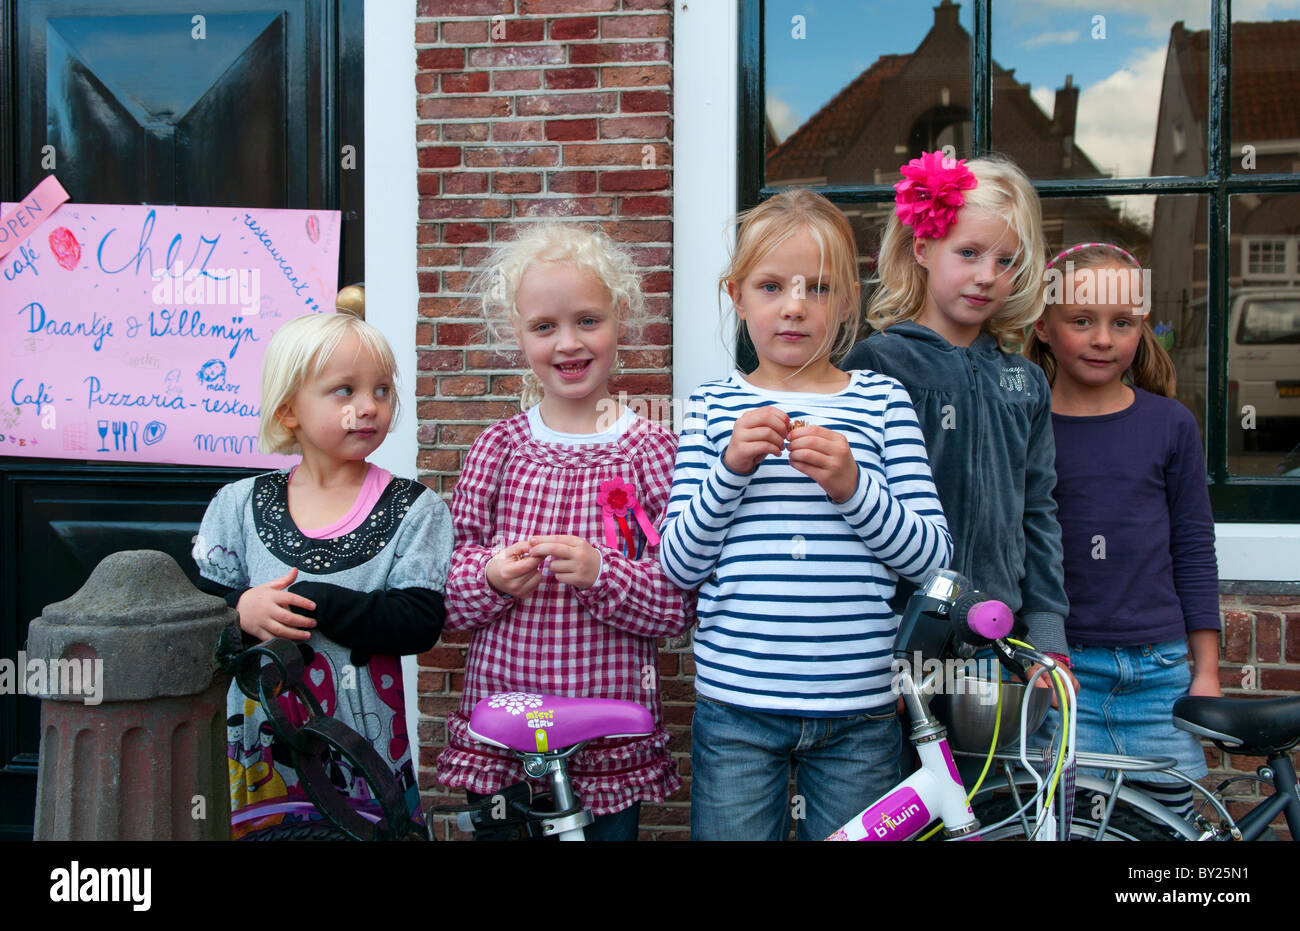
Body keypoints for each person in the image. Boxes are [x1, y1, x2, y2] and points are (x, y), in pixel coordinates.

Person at [658, 189, 952, 841]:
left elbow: (933, 558)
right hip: (736, 705)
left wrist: (853, 486)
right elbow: (677, 562)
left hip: (860, 707)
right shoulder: (709, 408)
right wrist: (728, 469)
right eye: (771, 286)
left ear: (847, 300)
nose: (794, 305)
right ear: (737, 296)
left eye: (818, 288)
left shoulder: (882, 402)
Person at [435, 224, 693, 842]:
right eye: (544, 327)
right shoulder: (498, 448)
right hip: (505, 731)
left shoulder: (652, 452)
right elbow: (446, 593)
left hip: (609, 737)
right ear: (516, 334)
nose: (568, 343)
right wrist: (492, 576)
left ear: (619, 318)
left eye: (587, 321)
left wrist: (605, 574)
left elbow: (678, 605)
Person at [194, 311, 450, 838]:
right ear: (289, 410)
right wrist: (239, 611)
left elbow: (418, 622)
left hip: (365, 755)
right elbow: (196, 612)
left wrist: (321, 602)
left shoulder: (415, 509)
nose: (369, 406)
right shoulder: (238, 504)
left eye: (381, 389)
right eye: (344, 391)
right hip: (259, 758)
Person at [841, 152, 1076, 688]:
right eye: (968, 253)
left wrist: (1048, 638)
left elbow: (1038, 511)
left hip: (999, 639)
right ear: (923, 248)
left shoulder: (1026, 381)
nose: (987, 276)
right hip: (898, 639)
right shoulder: (877, 363)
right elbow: (852, 514)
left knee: (1005, 775)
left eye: (1007, 262)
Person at [1024, 242, 1220, 814]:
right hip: (1064, 676)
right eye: (1081, 321)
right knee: (1066, 823)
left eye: (1122, 323)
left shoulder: (1170, 424)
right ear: (1042, 324)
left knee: (1166, 829)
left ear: (1142, 328)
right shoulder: (1026, 426)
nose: (1103, 339)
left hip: (1160, 678)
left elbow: (1193, 548)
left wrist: (1203, 673)